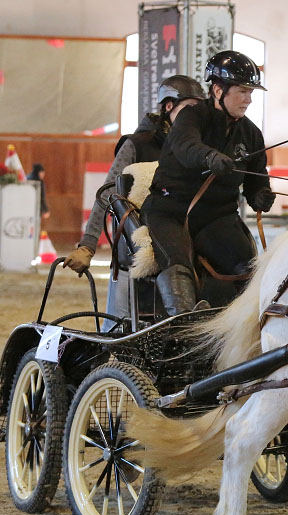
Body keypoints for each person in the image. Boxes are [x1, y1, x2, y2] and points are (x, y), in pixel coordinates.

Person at [63, 75, 206, 328]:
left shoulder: (198, 148)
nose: (192, 118)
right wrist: (87, 246)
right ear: (169, 107)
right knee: (118, 330)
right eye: (187, 109)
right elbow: (108, 194)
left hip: (182, 248)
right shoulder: (137, 145)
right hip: (133, 250)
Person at [139, 50, 274, 315]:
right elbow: (186, 145)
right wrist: (210, 157)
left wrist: (261, 195)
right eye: (242, 91)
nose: (248, 99)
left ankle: (243, 323)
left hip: (217, 216)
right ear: (217, 90)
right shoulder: (191, 117)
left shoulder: (251, 133)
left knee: (247, 266)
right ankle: (183, 322)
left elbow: (256, 177)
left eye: (251, 93)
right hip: (169, 211)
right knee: (177, 262)